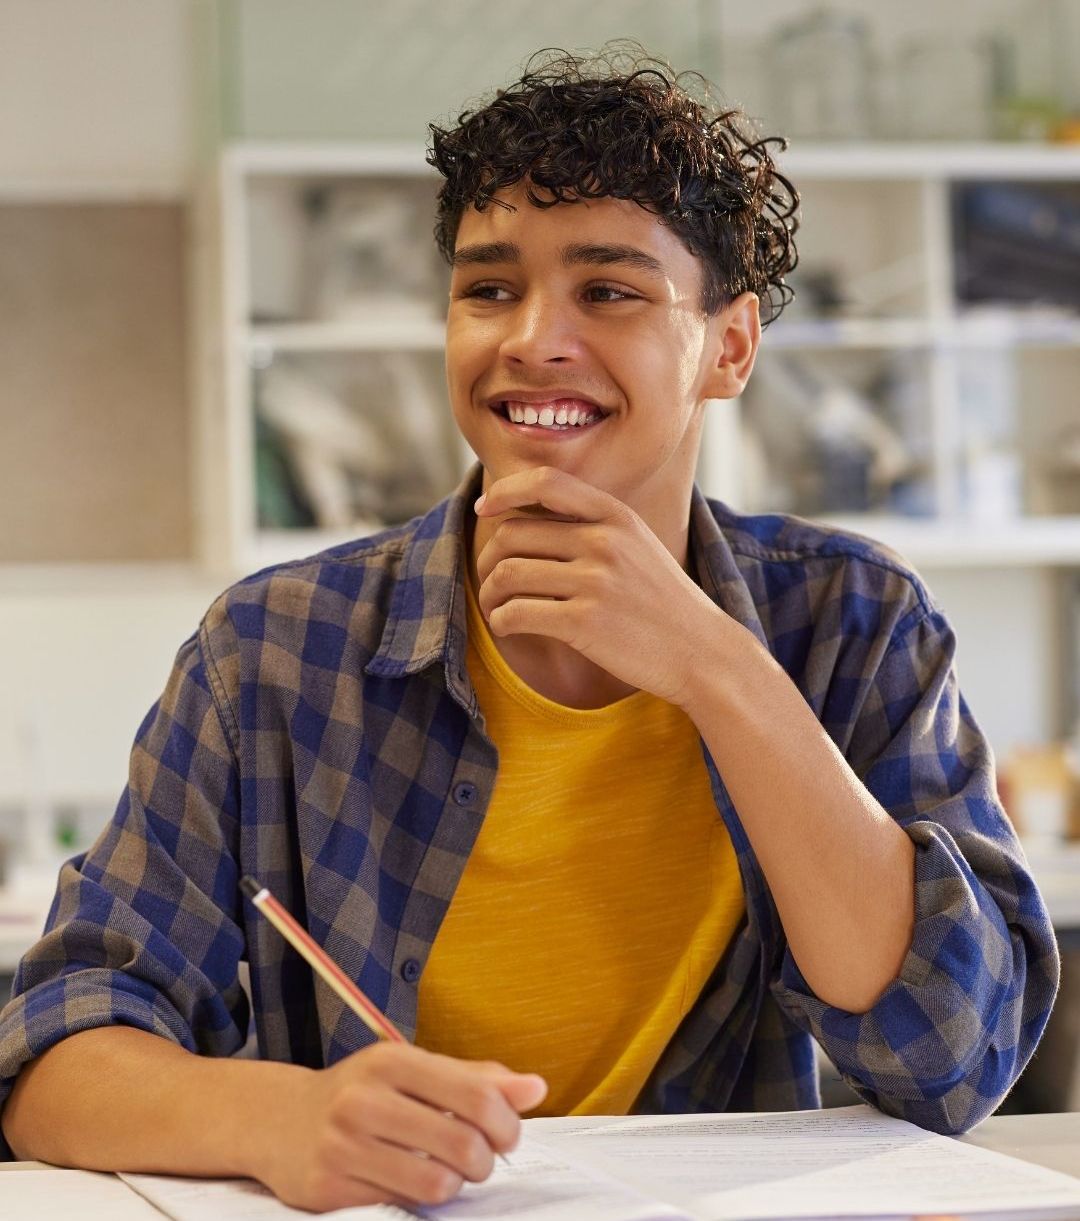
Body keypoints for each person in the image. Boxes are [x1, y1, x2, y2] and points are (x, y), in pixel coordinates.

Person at [0, 43, 1059, 1214]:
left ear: (732, 345)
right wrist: (281, 1118)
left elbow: (952, 1056)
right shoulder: (272, 651)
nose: (532, 338)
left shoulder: (856, 622)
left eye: (608, 290)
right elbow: (51, 1058)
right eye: (488, 288)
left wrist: (714, 664)